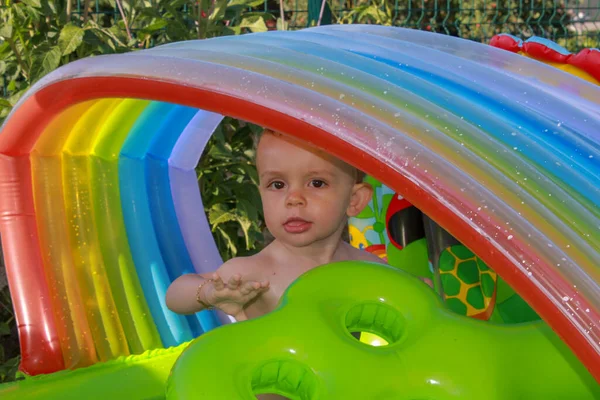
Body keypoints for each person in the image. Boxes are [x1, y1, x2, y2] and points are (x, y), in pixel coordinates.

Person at [166, 129, 385, 321]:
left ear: (354, 200)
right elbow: (175, 295)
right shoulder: (255, 273)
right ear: (261, 193)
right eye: (277, 184)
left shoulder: (368, 268)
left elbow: (414, 290)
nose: (294, 198)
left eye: (316, 183)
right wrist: (208, 293)